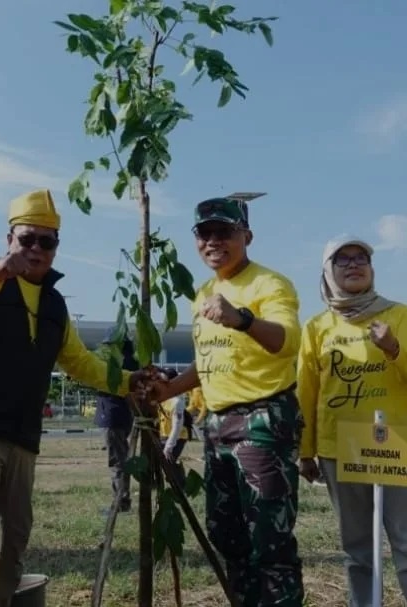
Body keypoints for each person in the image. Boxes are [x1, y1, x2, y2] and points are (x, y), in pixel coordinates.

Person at [0, 188, 156, 607]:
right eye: (26, 239)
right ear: (8, 239)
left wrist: (129, 381)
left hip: (22, 434)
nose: (35, 249)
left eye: (45, 241)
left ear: (56, 247)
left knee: (15, 534)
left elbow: (79, 363)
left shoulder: (54, 303)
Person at [151, 196, 305, 606]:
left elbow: (289, 342)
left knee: (269, 539)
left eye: (225, 232)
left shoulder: (269, 284)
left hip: (263, 420)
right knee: (229, 535)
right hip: (217, 425)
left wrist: (244, 318)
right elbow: (208, 363)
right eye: (205, 233)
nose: (214, 241)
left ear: (247, 236)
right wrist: (169, 390)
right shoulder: (203, 293)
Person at [297, 235, 407, 607]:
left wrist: (392, 347)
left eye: (361, 258)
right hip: (339, 446)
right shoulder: (317, 328)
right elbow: (307, 393)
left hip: (396, 442)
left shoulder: (398, 315)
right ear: (327, 272)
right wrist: (306, 450)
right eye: (342, 260)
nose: (353, 265)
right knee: (358, 550)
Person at [94, 329, 138, 513]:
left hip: (112, 416)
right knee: (121, 459)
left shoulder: (114, 365)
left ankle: (121, 502)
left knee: (118, 461)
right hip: (123, 417)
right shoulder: (133, 362)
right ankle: (122, 500)